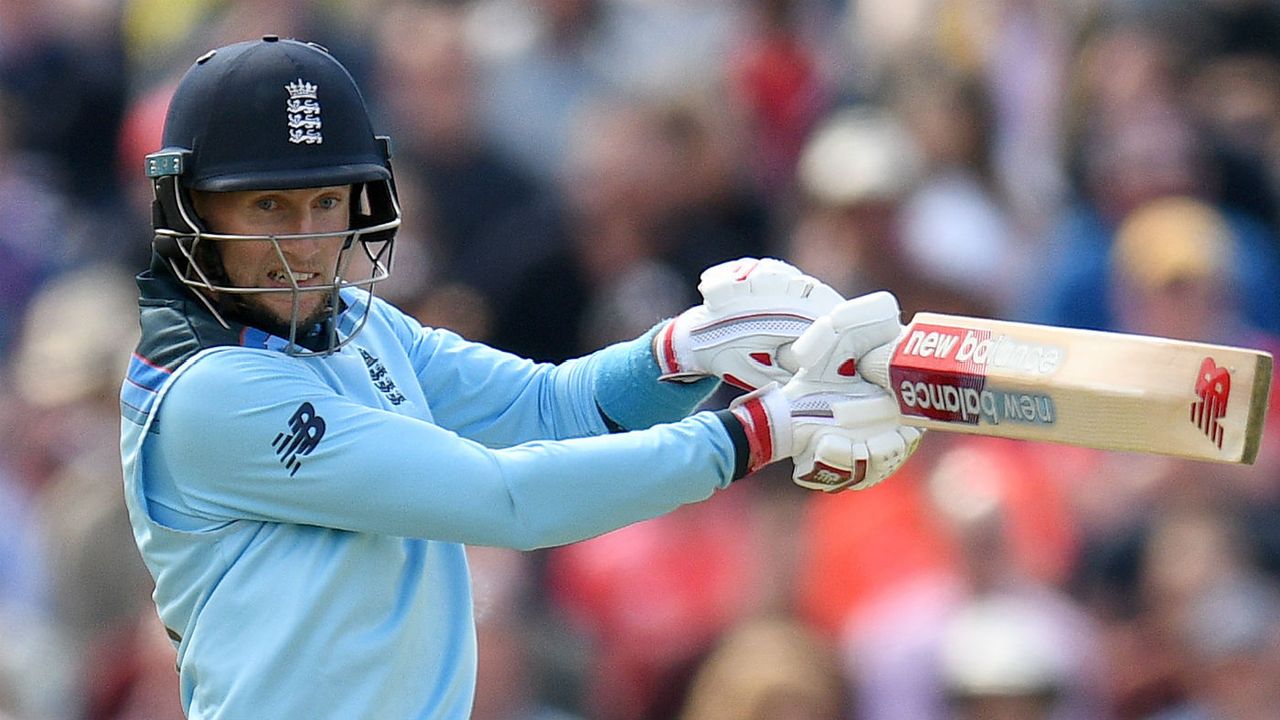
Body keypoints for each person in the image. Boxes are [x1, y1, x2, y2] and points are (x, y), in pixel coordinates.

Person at [118, 37, 922, 719]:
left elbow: (548, 404)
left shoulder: (359, 324)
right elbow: (504, 499)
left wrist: (685, 350)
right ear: (189, 207)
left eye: (325, 201)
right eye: (267, 208)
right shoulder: (209, 393)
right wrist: (755, 434)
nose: (306, 242)